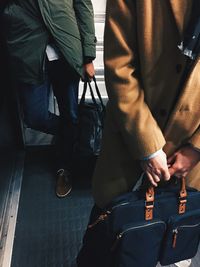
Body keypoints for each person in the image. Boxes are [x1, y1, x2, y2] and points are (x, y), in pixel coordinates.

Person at [77, 0, 200, 266]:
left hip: (191, 165)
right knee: (106, 240)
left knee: (174, 247)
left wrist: (196, 148)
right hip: (128, 141)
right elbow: (119, 66)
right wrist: (147, 145)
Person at [2, 0, 96, 197]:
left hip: (67, 52)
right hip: (26, 49)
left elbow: (83, 6)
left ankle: (65, 167)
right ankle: (76, 134)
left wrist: (88, 55)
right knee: (35, 116)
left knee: (69, 112)